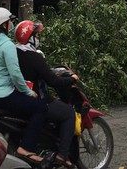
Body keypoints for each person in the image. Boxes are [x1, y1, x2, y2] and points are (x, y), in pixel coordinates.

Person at [0, 7, 48, 164]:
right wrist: (28, 92)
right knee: (40, 108)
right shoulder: (7, 45)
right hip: (3, 95)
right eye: (9, 21)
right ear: (3, 25)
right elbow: (15, 74)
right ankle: (26, 147)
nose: (11, 24)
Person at [15, 20, 79, 167]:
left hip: (19, 98)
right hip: (38, 100)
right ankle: (62, 155)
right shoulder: (34, 56)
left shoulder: (14, 52)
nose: (38, 38)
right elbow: (53, 81)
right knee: (69, 113)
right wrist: (71, 79)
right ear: (29, 37)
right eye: (36, 35)